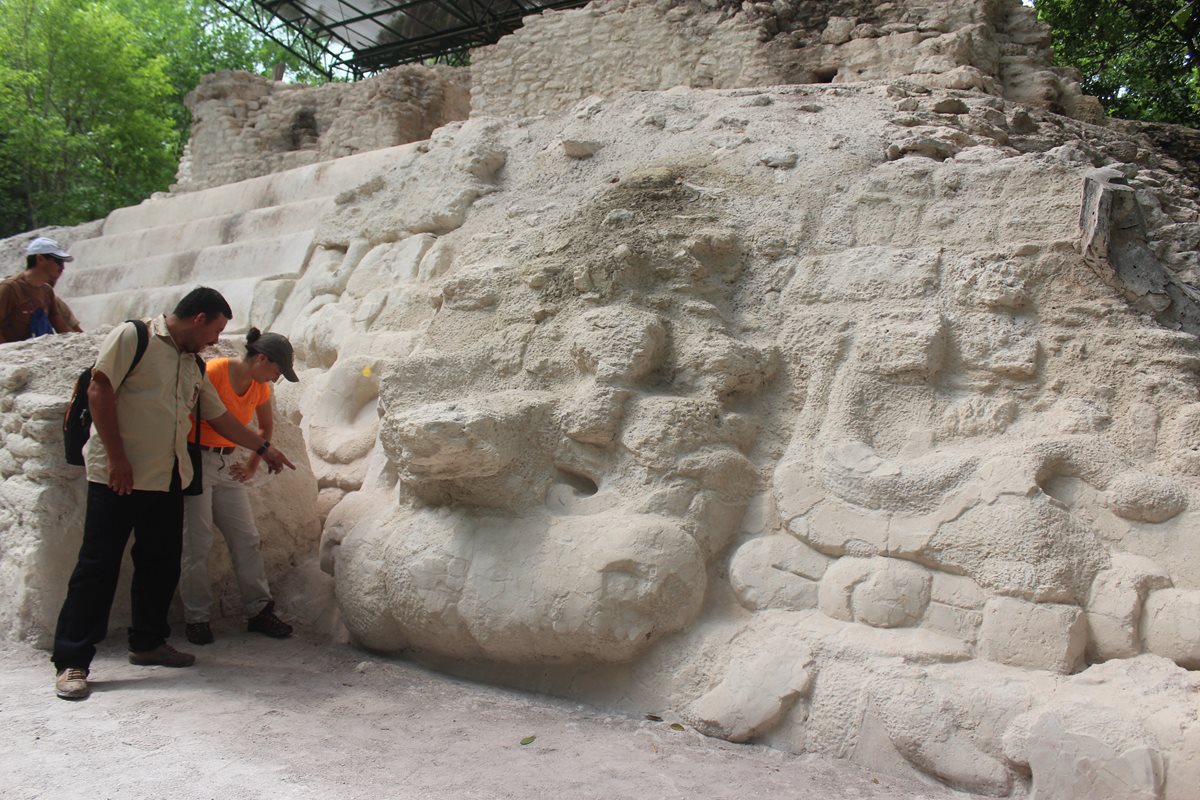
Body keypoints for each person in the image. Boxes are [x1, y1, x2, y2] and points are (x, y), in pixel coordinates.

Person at [52, 287, 296, 701]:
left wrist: (262, 448)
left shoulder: (193, 364)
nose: (215, 341)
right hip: (118, 476)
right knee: (97, 567)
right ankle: (73, 660)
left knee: (159, 563)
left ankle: (146, 643)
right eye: (215, 330)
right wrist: (116, 458)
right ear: (198, 318)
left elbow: (218, 416)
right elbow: (99, 390)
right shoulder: (135, 337)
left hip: (167, 478)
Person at [181, 328, 299, 645]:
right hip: (196, 461)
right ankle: (197, 618)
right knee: (197, 542)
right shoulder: (215, 372)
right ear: (261, 358)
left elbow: (265, 426)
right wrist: (264, 452)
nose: (275, 379)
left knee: (246, 538)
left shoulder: (259, 387)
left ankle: (259, 610)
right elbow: (200, 417)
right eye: (276, 371)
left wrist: (250, 464)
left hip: (225, 464)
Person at [0, 237, 73, 343]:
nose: (62, 268)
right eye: (58, 261)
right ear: (40, 259)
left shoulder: (47, 291)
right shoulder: (9, 288)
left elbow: (58, 323)